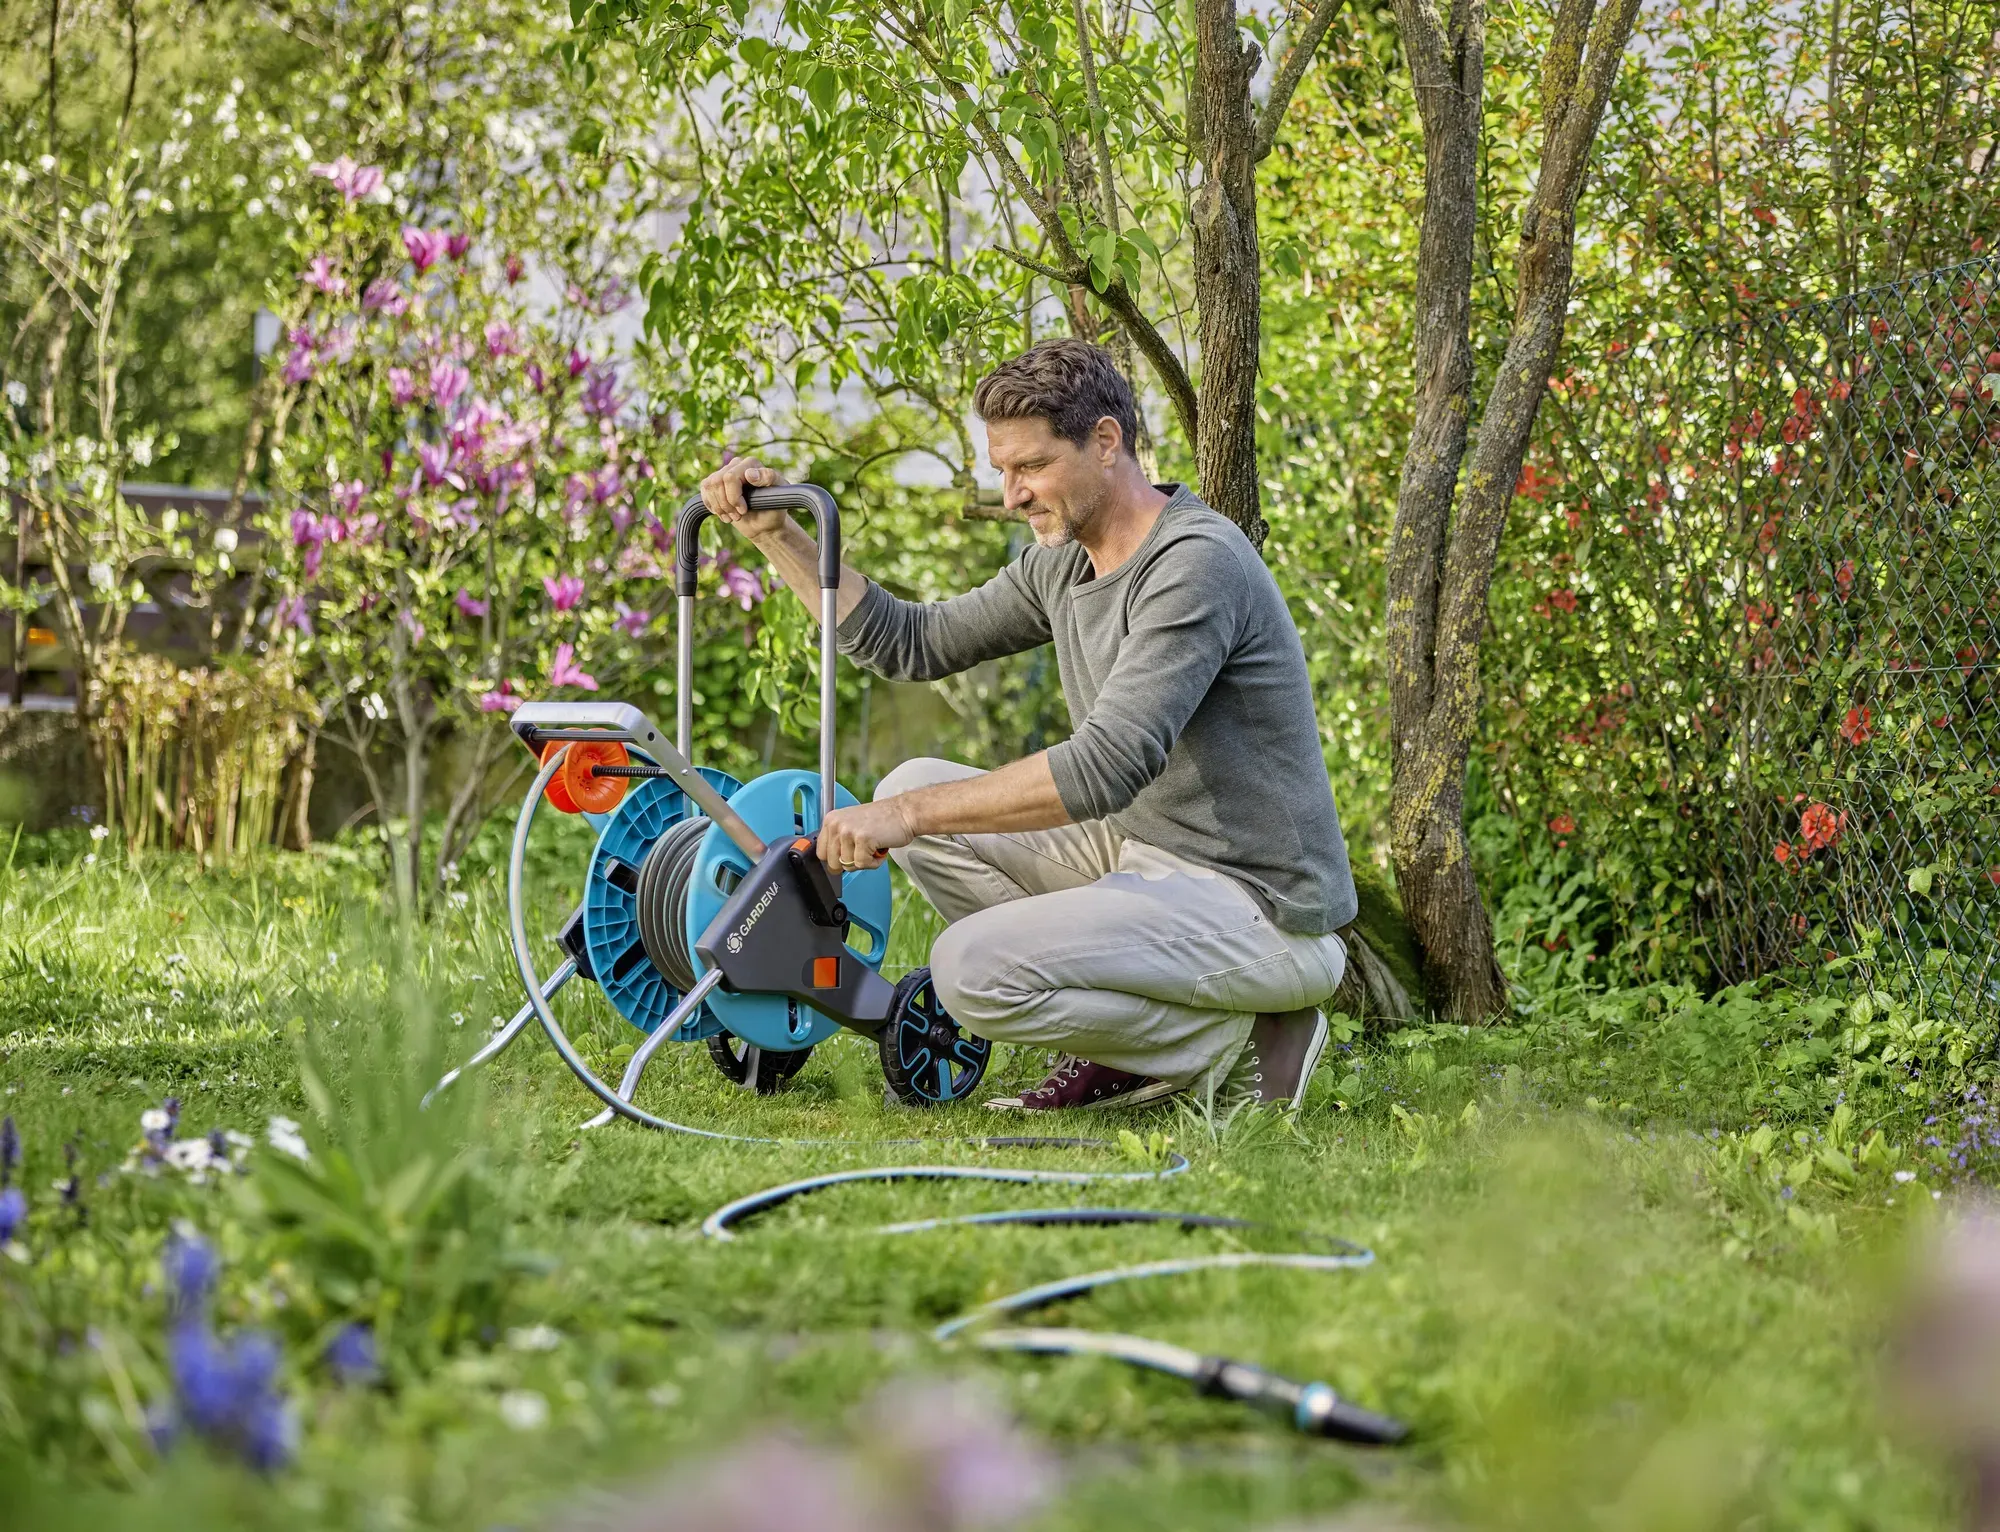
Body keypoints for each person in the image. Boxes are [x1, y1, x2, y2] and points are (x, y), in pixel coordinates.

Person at [698, 338, 1359, 1112]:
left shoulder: (1195, 564)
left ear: (1106, 442)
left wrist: (902, 818)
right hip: (1146, 854)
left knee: (966, 970)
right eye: (1002, 470)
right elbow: (909, 642)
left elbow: (1103, 768)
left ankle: (1236, 1043)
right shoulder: (1065, 562)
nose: (1011, 494)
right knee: (913, 783)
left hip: (1261, 908)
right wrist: (780, 537)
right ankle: (1133, 1043)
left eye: (1031, 467)